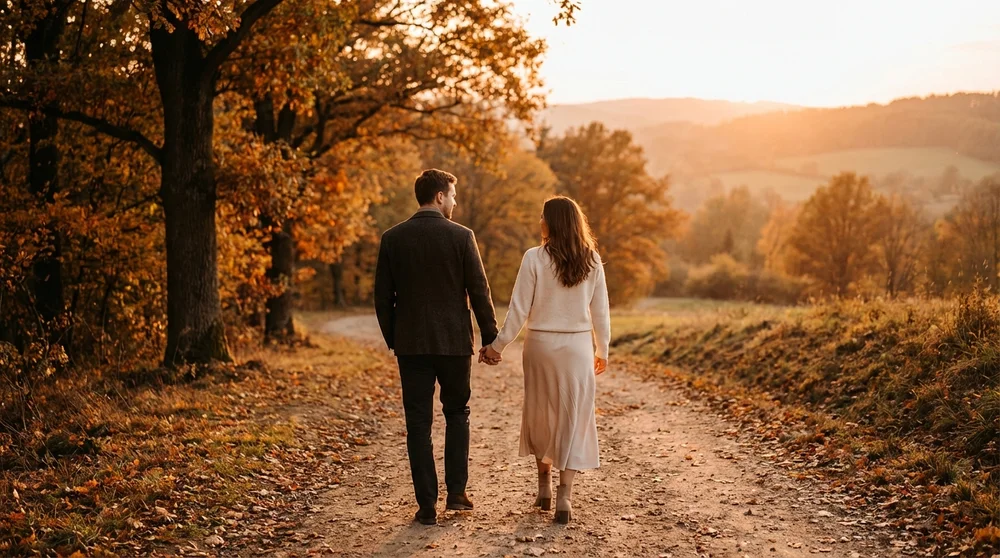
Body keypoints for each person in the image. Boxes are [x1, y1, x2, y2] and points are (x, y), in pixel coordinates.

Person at [373, 169, 501, 526]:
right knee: (457, 413)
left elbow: (382, 297)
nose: (455, 202)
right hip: (454, 343)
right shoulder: (462, 236)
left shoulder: (393, 238)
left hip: (411, 345)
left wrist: (394, 338)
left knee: (418, 423)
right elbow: (479, 290)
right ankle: (457, 494)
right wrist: (490, 337)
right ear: (440, 196)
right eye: (453, 196)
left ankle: (426, 504)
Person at [482, 196, 610, 524]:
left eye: (542, 216)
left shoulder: (534, 258)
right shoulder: (592, 260)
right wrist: (603, 350)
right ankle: (565, 497)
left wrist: (498, 346)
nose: (539, 220)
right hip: (577, 349)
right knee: (571, 417)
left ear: (551, 222)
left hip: (540, 346)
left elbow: (519, 309)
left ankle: (544, 488)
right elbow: (601, 312)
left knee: (541, 414)